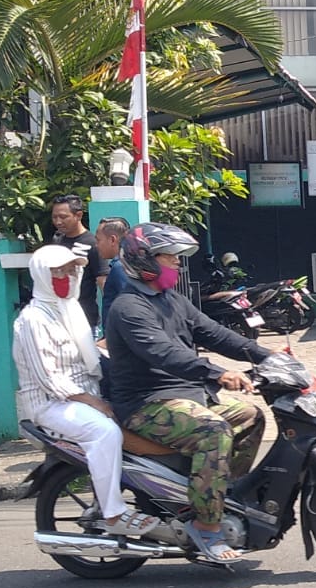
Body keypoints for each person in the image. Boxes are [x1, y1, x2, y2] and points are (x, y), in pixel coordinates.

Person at [105, 222, 272, 565]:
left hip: (187, 395)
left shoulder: (172, 300)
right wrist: (219, 373)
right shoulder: (129, 308)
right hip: (147, 403)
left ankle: (222, 497)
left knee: (251, 417)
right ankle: (206, 525)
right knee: (214, 432)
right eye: (171, 258)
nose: (179, 265)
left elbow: (215, 334)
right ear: (145, 260)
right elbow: (165, 354)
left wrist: (267, 356)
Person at [12, 245, 160, 537]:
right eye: (59, 271)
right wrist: (97, 404)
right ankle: (114, 513)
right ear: (42, 275)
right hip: (52, 404)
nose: (67, 276)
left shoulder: (69, 310)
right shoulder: (33, 320)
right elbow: (50, 379)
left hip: (83, 396)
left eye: (71, 270)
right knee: (105, 432)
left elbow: (92, 354)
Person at [49, 193, 108, 328]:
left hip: (84, 322)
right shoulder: (57, 242)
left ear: (79, 215)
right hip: (58, 320)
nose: (58, 222)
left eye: (63, 217)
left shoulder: (92, 244)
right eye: (54, 217)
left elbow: (103, 283)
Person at [94, 216, 130, 335]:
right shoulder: (126, 263)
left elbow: (127, 308)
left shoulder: (119, 268)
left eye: (98, 240)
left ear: (112, 240)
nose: (96, 245)